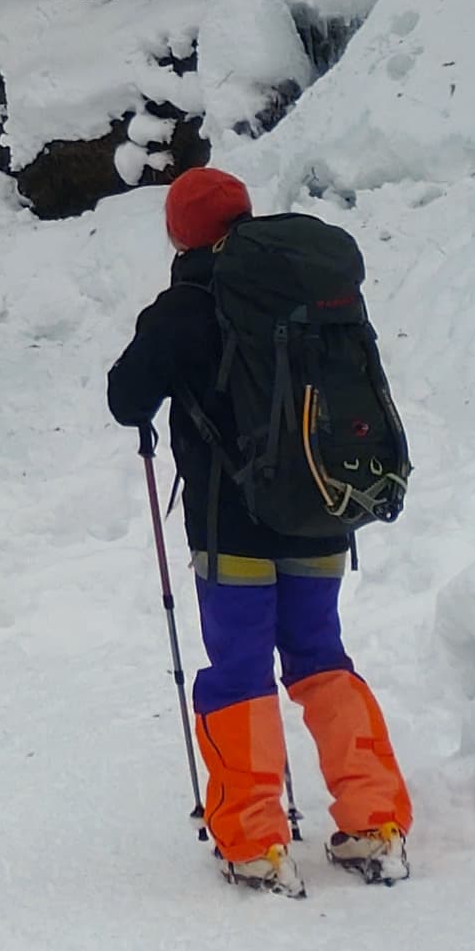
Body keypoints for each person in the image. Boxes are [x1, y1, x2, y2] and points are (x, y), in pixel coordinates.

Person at [107, 165, 413, 890]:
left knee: (240, 673)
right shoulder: (303, 291)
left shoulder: (186, 305)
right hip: (320, 511)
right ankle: (375, 820)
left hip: (233, 529)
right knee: (320, 658)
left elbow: (126, 399)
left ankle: (254, 841)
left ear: (180, 234)